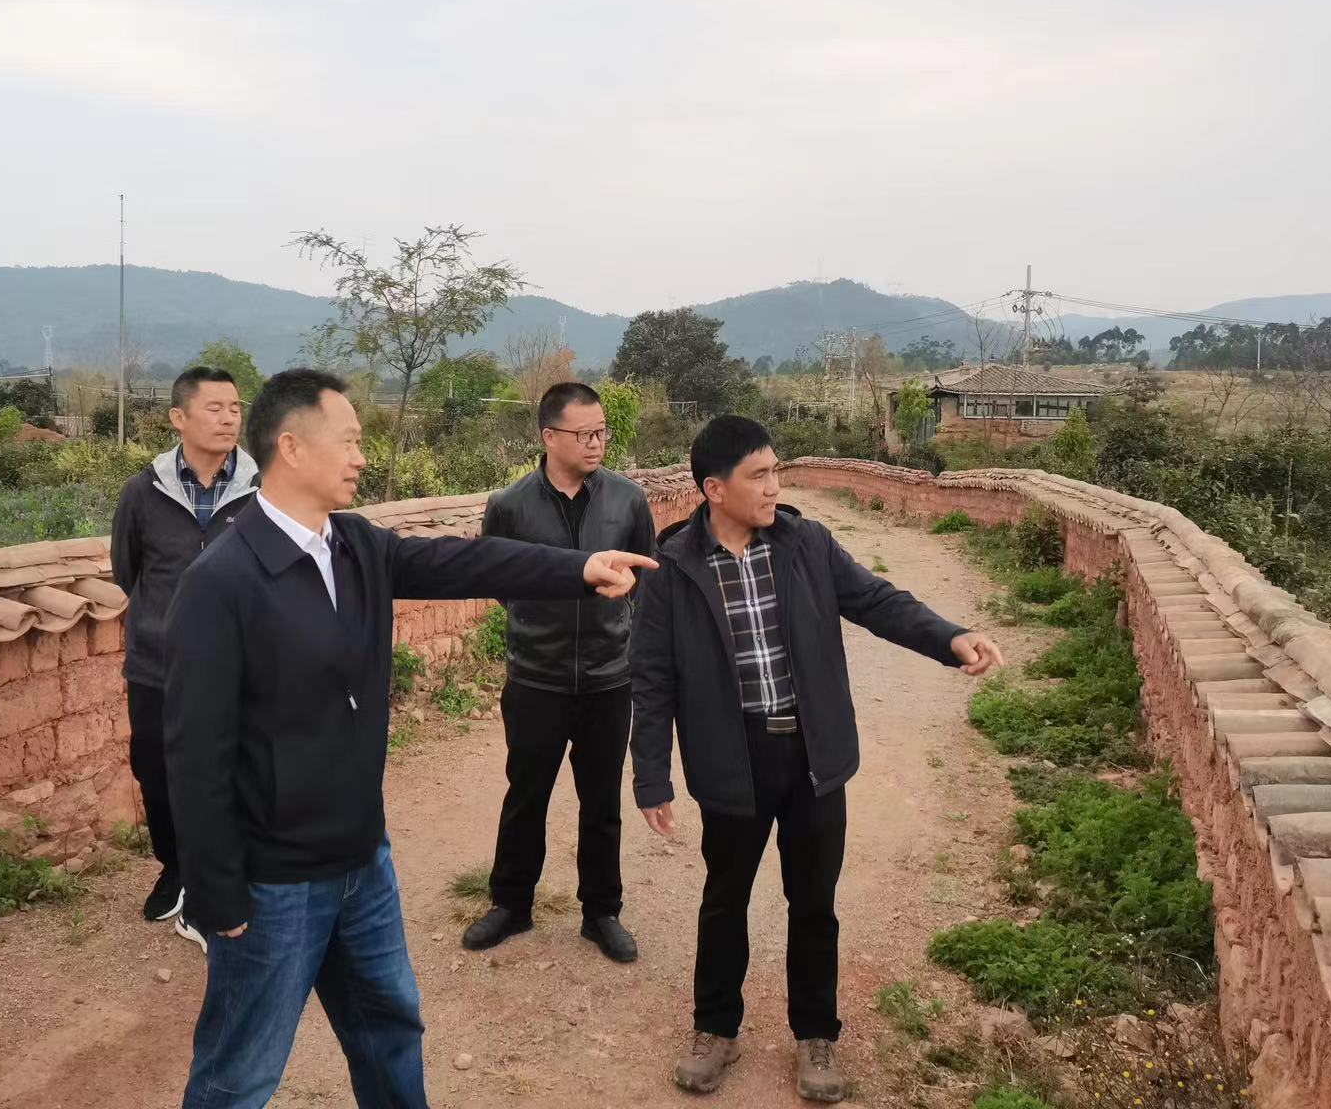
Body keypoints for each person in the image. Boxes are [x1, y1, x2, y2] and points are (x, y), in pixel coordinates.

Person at [163, 368, 657, 1109]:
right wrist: (215, 890)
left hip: (364, 860)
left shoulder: (355, 545)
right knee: (239, 1074)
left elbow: (467, 560)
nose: (361, 457)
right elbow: (194, 753)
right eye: (349, 441)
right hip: (275, 881)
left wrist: (580, 567)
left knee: (389, 1033)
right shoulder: (222, 581)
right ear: (291, 448)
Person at [629, 416, 1004, 1102]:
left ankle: (815, 1034)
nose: (775, 486)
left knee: (813, 902)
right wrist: (651, 774)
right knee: (724, 900)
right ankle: (715, 1028)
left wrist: (949, 638)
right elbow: (651, 678)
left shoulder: (806, 544)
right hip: (730, 757)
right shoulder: (672, 569)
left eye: (776, 470)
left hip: (811, 755)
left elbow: (876, 601)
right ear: (714, 489)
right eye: (759, 475)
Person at [463, 382, 656, 963]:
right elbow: (498, 578)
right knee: (526, 795)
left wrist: (619, 617)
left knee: (602, 802)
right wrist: (538, 622)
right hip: (536, 679)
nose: (597, 443)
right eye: (584, 433)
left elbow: (646, 574)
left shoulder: (628, 500)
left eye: (602, 432)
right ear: (549, 436)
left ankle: (602, 913)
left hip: (608, 678)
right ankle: (511, 904)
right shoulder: (510, 505)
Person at [108, 365, 258, 949]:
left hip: (238, 666)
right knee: (156, 769)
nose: (228, 418)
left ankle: (225, 876)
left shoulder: (261, 491)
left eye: (235, 408)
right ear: (179, 417)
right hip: (158, 666)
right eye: (214, 407)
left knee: (234, 769)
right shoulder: (142, 493)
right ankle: (176, 866)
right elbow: (128, 571)